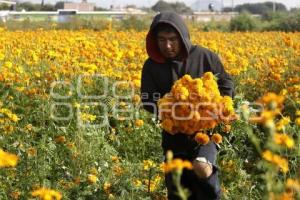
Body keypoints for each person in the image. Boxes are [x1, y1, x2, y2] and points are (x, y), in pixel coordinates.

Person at [141, 11, 234, 200]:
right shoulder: (152, 66)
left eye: (173, 39)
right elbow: (148, 100)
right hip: (174, 136)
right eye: (161, 40)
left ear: (182, 36)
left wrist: (216, 106)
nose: (167, 45)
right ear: (154, 40)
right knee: (178, 189)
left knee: (201, 167)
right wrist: (173, 109)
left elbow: (226, 85)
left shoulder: (205, 57)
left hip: (206, 132)